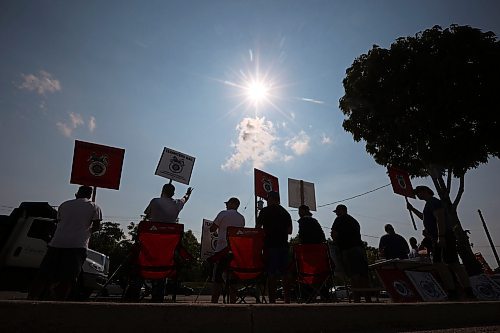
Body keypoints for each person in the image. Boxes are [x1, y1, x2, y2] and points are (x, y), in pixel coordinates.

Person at [28, 185, 102, 300]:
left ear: (77, 194)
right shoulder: (94, 207)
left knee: (43, 274)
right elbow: (97, 226)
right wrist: (85, 232)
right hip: (77, 245)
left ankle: (31, 299)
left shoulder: (64, 205)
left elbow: (58, 222)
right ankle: (59, 302)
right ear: (90, 195)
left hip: (56, 243)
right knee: (68, 277)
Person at [407, 185, 474, 299]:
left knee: (452, 263)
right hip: (437, 238)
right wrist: (412, 209)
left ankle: (465, 291)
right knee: (441, 263)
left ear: (425, 191)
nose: (417, 195)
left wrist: (441, 236)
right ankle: (454, 290)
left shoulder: (434, 202)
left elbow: (440, 218)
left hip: (444, 236)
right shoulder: (428, 204)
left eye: (418, 192)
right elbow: (425, 218)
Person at [143, 183, 193, 302]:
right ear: (173, 193)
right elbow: (184, 199)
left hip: (150, 246)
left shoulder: (155, 201)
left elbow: (146, 214)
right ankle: (159, 296)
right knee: (165, 263)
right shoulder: (177, 204)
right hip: (167, 248)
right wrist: (188, 193)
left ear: (162, 190)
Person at [256, 191, 293, 303]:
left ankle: (272, 300)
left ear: (271, 199)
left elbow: (258, 228)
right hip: (283, 245)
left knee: (271, 273)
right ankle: (287, 299)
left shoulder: (264, 211)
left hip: (270, 245)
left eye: (267, 199)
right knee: (285, 273)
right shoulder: (286, 212)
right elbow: (290, 231)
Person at [330, 204, 371, 303]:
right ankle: (367, 298)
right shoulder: (354, 221)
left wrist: (335, 244)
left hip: (348, 249)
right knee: (363, 275)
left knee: (353, 274)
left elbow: (334, 234)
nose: (336, 214)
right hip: (359, 249)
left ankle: (356, 299)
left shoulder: (339, 220)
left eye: (337, 212)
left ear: (341, 210)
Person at [209, 197, 245, 303]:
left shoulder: (223, 213)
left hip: (222, 251)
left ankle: (214, 302)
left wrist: (217, 231)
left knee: (217, 277)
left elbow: (212, 229)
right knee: (233, 279)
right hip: (235, 252)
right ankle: (233, 302)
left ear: (232, 204)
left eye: (228, 203)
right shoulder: (242, 218)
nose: (226, 205)